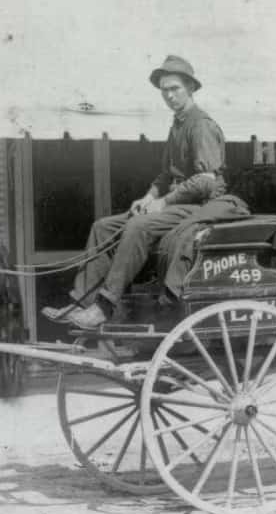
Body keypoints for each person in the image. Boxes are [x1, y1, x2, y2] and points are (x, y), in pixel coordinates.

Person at [42, 55, 249, 329]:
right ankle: (82, 302)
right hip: (176, 204)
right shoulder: (178, 124)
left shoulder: (200, 124)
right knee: (103, 227)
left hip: (199, 207)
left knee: (138, 226)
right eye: (164, 90)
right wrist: (149, 197)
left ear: (190, 87)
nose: (169, 95)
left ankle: (105, 306)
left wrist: (163, 202)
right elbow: (166, 174)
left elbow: (206, 181)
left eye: (175, 88)